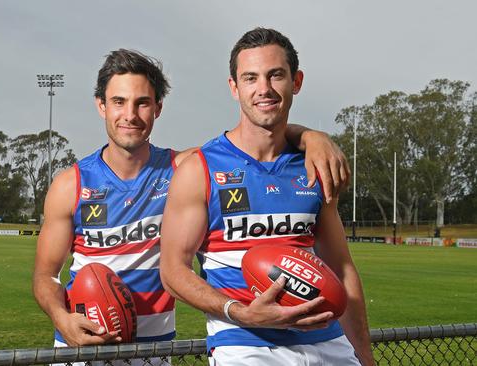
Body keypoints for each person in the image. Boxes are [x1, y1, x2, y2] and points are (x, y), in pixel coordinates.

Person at [31, 48, 351, 353]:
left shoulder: (184, 169)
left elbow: (253, 136)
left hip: (154, 349)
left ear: (158, 108)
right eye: (118, 102)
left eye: (142, 103)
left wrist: (310, 136)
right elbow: (46, 275)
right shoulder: (71, 185)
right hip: (83, 342)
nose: (130, 115)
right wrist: (62, 319)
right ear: (101, 106)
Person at [159, 28, 374, 365]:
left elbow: (342, 269)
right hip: (246, 343)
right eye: (250, 78)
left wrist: (364, 357)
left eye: (276, 75)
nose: (264, 89)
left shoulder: (314, 165)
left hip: (328, 340)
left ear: (296, 81)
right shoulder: (199, 169)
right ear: (234, 87)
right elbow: (172, 271)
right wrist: (240, 312)